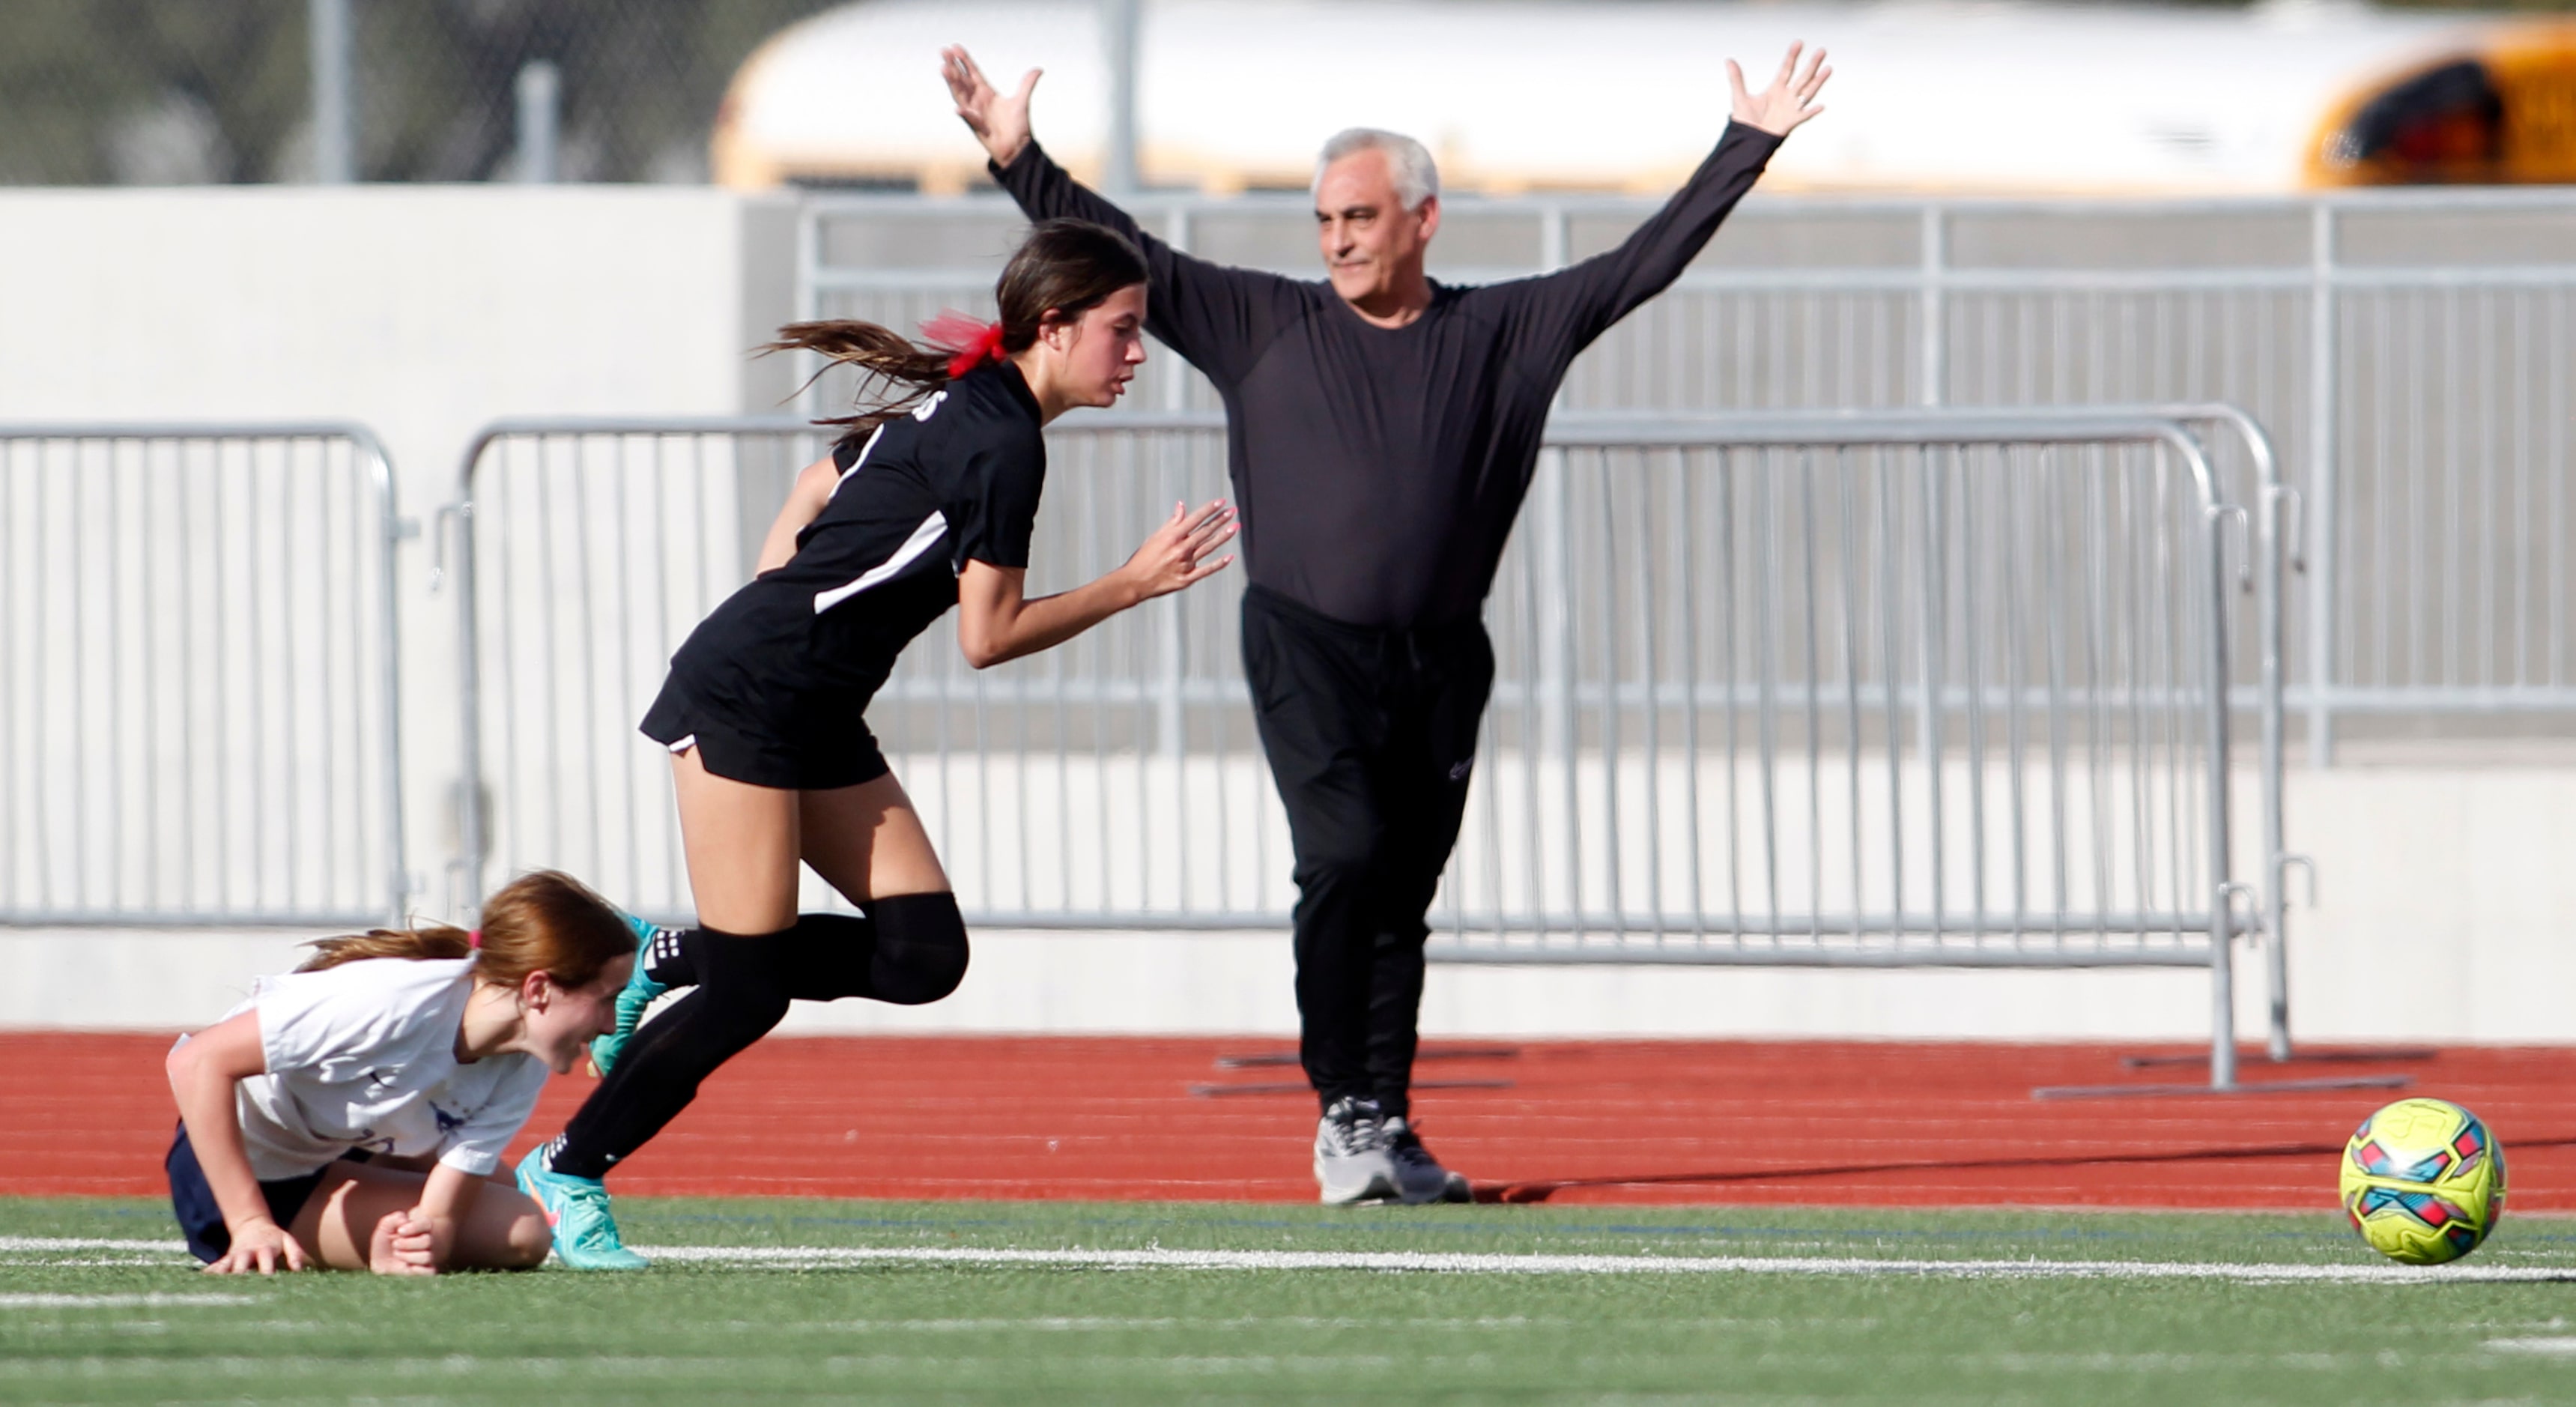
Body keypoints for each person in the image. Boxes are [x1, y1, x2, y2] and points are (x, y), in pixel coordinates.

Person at [942, 41, 1831, 1205]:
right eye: (1322, 220)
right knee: (1346, 855)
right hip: (1304, 643)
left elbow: (1637, 265)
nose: (1337, 238)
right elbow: (1129, 252)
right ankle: (1340, 1108)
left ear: (1422, 217)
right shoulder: (1263, 321)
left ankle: (1383, 1122)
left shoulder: (1502, 333)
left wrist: (1745, 145)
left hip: (1442, 659)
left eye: (1359, 216)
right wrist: (1016, 156)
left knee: (1400, 890)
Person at [515, 217, 1239, 1269]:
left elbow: (818, 488)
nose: (1136, 354)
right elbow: (988, 636)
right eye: (1122, 331)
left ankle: (663, 952)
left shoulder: (979, 402)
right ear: (1052, 325)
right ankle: (568, 1167)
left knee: (922, 954)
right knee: (752, 990)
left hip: (805, 705)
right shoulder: (1001, 440)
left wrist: (784, 612)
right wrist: (1132, 582)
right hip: (749, 703)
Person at [163, 869, 635, 1274]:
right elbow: (196, 1062)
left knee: (503, 1186)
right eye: (606, 999)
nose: (612, 1023)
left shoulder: (521, 1062)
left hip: (334, 1149)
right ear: (538, 990)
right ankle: (257, 1220)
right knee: (524, 1231)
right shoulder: (390, 1001)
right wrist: (249, 1223)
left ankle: (352, 1188)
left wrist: (414, 1247)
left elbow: (440, 1219)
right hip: (241, 1178)